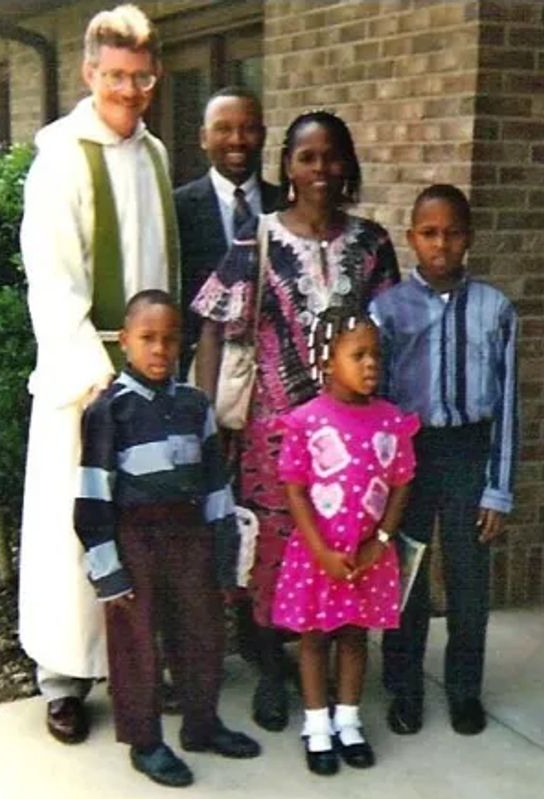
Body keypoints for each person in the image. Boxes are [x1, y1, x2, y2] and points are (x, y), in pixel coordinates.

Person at [192, 110, 401, 732]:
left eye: (332, 156)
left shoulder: (372, 243)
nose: (321, 170)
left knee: (340, 545)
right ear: (288, 166)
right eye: (308, 158)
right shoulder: (256, 238)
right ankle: (271, 673)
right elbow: (213, 323)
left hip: (353, 433)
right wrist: (206, 417)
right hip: (275, 432)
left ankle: (336, 671)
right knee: (274, 554)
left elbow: (390, 332)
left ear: (347, 164)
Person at [19, 4, 179, 744]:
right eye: (115, 76)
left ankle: (140, 665)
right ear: (89, 73)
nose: (129, 91)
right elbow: (51, 281)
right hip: (86, 374)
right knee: (76, 528)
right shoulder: (59, 156)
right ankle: (65, 678)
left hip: (152, 370)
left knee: (146, 523)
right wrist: (97, 377)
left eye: (142, 77)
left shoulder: (155, 154)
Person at [73, 290, 260, 788]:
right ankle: (144, 740)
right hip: (134, 535)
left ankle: (202, 724)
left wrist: (224, 553)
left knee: (201, 632)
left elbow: (216, 480)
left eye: (169, 339)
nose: (159, 349)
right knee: (136, 642)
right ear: (125, 342)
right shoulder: (109, 411)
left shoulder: (194, 404)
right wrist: (108, 570)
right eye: (147, 338)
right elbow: (93, 495)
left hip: (189, 533)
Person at [370, 184, 519, 737]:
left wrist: (497, 489)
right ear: (412, 238)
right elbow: (378, 400)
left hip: (468, 451)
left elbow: (507, 408)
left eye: (453, 233)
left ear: (469, 239)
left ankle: (463, 691)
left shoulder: (495, 309)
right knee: (404, 573)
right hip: (408, 454)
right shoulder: (386, 310)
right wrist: (380, 482)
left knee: (468, 578)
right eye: (429, 233)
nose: (441, 244)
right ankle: (404, 687)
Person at [272, 304, 419, 775]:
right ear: (327, 362)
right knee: (314, 640)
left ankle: (349, 721)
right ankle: (317, 727)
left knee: (356, 637)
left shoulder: (391, 421)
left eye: (376, 354)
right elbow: (294, 487)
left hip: (367, 555)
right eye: (359, 355)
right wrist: (320, 551)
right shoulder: (307, 420)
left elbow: (401, 482)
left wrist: (380, 540)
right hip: (319, 553)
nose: (371, 363)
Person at [175, 85, 280, 379]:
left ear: (263, 135)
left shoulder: (286, 207)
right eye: (223, 129)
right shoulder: (176, 209)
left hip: (274, 375)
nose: (236, 140)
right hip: (198, 369)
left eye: (248, 129)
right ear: (203, 138)